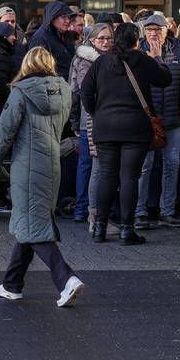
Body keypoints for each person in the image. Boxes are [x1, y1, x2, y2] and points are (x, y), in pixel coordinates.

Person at [0, 47, 83, 307]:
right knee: (30, 222)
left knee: (34, 226)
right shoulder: (64, 91)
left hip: (27, 168)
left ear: (26, 65)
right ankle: (12, 284)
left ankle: (66, 279)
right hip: (51, 164)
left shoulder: (20, 93)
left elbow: (3, 136)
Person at [80, 22, 171, 244]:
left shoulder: (102, 62)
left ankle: (100, 228)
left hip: (105, 127)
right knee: (129, 177)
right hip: (135, 127)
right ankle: (126, 230)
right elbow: (165, 80)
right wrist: (158, 58)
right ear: (136, 41)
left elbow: (85, 92)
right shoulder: (142, 60)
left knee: (106, 175)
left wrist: (97, 112)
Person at [135, 13, 180, 229]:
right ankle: (140, 212)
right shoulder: (138, 52)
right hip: (147, 119)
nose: (153, 34)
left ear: (167, 31)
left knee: (172, 164)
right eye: (149, 30)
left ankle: (167, 211)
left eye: (157, 29)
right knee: (144, 166)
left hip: (172, 118)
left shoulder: (178, 51)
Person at [68, 23, 111, 227]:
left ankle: (88, 208)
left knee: (91, 165)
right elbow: (80, 92)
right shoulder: (86, 60)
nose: (105, 42)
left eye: (109, 38)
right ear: (92, 40)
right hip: (90, 119)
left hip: (103, 118)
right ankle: (82, 208)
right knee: (88, 164)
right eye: (101, 38)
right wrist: (75, 121)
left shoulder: (109, 58)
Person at [29, 1, 77, 79]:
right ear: (52, 17)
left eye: (69, 17)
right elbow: (38, 71)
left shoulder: (64, 35)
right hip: (53, 84)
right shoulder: (40, 38)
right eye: (63, 17)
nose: (68, 21)